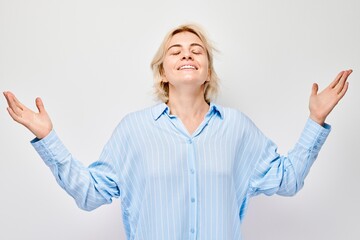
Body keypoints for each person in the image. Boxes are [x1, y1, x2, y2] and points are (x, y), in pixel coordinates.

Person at [3, 24, 352, 240]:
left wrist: (315, 120)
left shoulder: (237, 129)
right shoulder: (134, 131)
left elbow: (287, 181)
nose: (187, 54)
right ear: (163, 72)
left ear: (207, 71)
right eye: (176, 51)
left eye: (196, 50)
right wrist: (47, 138)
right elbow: (90, 194)